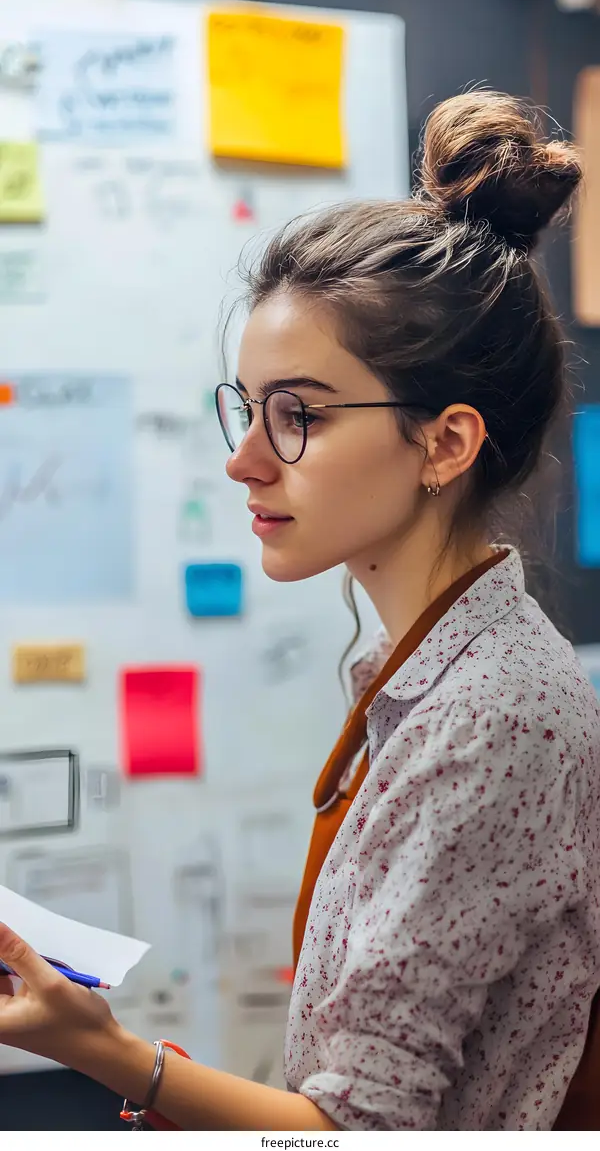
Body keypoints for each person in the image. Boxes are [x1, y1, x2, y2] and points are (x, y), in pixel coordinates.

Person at [0, 90, 599, 1132]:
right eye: (247, 407)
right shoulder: (429, 671)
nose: (243, 460)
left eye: (300, 416)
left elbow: (362, 1132)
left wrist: (101, 1052)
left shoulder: (493, 716)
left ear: (444, 444)